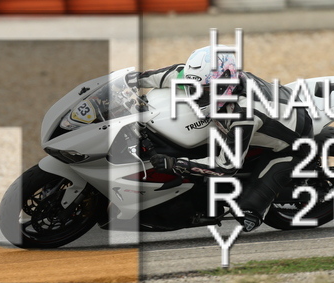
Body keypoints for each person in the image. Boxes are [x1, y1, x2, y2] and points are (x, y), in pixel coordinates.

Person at [128, 46, 313, 232]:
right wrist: (124, 81)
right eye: (193, 88)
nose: (197, 95)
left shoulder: (244, 114)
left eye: (206, 90)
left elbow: (226, 168)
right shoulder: (193, 76)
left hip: (294, 144)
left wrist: (175, 164)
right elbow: (152, 76)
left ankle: (258, 204)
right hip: (273, 110)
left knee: (247, 213)